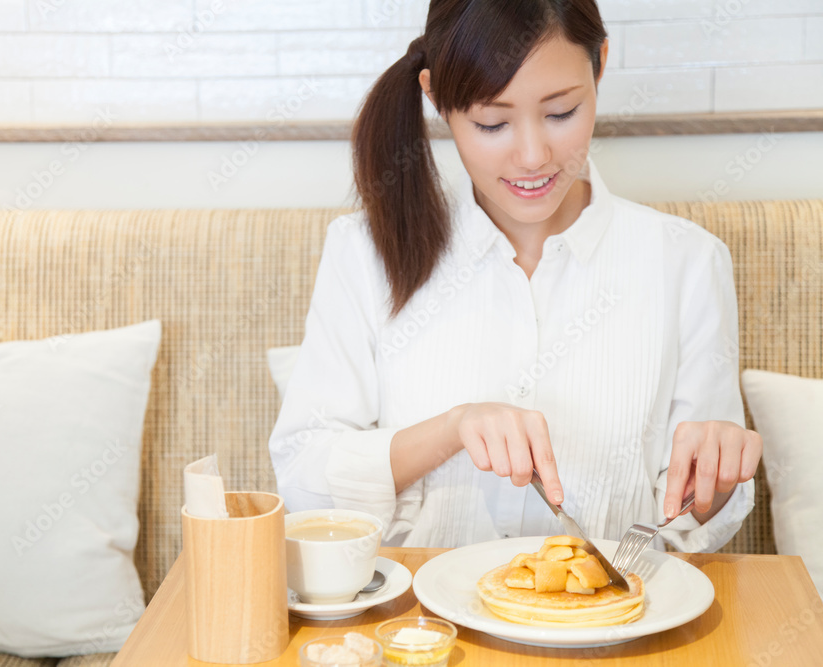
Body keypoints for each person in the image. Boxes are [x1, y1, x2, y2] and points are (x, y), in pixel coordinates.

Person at [269, 0, 761, 552]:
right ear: (435, 96)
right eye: (492, 122)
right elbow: (303, 480)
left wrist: (715, 480)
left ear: (599, 64)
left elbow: (692, 525)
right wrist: (452, 429)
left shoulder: (688, 262)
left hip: (611, 626)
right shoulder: (363, 253)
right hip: (418, 631)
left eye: (561, 113)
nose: (533, 156)